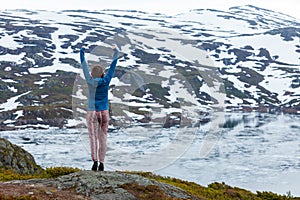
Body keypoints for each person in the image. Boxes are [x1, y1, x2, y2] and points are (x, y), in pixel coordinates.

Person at [80, 45, 118, 171]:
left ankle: (95, 162)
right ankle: (102, 163)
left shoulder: (89, 81)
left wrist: (82, 51)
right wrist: (115, 51)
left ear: (91, 74)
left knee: (93, 137)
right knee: (103, 137)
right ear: (102, 74)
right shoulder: (106, 80)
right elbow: (113, 66)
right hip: (104, 112)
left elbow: (84, 65)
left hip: (93, 112)